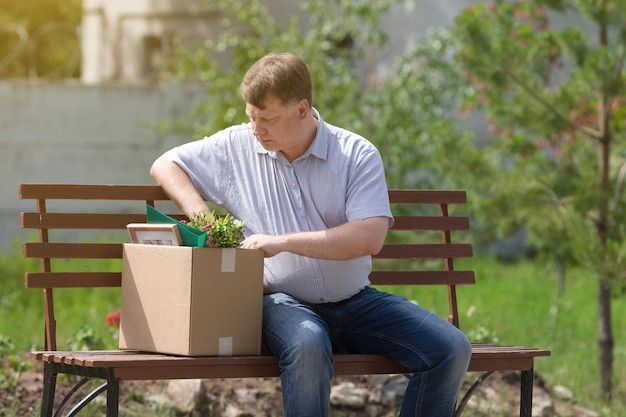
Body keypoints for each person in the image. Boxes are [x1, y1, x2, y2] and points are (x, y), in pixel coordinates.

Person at [150, 52, 471, 417]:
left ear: (302, 109)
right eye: (251, 116)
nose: (257, 129)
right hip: (281, 304)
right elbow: (165, 164)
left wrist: (280, 241)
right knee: (308, 345)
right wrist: (203, 218)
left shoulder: (355, 154)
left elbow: (369, 238)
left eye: (268, 118)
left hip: (356, 303)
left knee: (451, 348)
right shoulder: (236, 146)